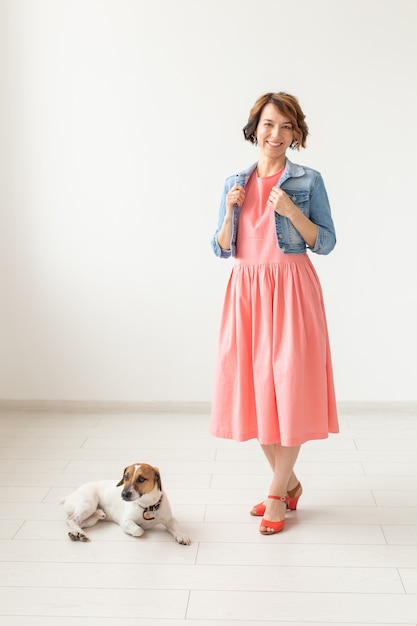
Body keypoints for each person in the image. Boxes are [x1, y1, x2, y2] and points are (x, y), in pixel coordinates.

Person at [210, 92, 339, 536]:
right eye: (269, 124)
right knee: (257, 390)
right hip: (246, 291)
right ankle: (289, 484)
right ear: (255, 128)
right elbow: (222, 247)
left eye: (286, 126)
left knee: (291, 387)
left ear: (296, 132)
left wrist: (289, 211)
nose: (276, 134)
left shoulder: (308, 181)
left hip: (291, 289)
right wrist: (229, 210)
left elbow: (325, 242)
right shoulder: (234, 182)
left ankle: (275, 494)